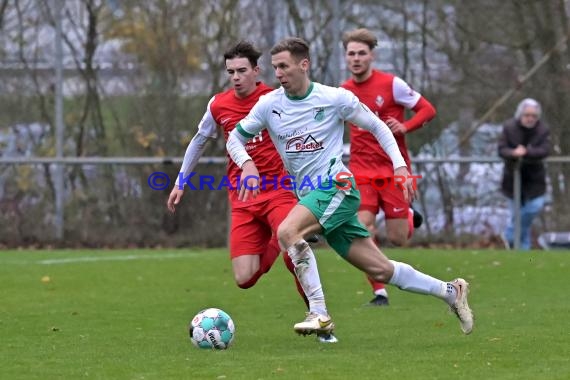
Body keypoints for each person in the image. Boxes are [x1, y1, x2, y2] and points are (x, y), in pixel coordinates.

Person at [226, 37, 474, 336]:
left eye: (284, 66)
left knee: (288, 232)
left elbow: (378, 126)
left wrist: (400, 166)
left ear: (304, 65)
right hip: (312, 197)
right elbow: (234, 139)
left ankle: (319, 313)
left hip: (337, 187)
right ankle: (451, 291)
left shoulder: (334, 98)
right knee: (381, 269)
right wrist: (247, 164)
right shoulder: (269, 105)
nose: (277, 73)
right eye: (275, 67)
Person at [166, 40, 337, 343]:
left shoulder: (276, 98)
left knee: (293, 253)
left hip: (279, 191)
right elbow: (198, 141)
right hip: (242, 200)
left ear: (257, 71)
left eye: (242, 70)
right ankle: (277, 239)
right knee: (244, 278)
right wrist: (181, 181)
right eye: (230, 71)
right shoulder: (218, 104)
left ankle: (321, 321)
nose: (235, 76)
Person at [341, 28, 437, 306]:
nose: (356, 59)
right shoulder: (342, 92)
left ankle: (407, 215)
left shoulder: (392, 84)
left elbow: (428, 110)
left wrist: (405, 126)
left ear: (371, 56)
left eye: (361, 53)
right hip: (360, 172)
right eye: (351, 54)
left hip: (393, 170)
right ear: (346, 58)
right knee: (363, 228)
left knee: (398, 239)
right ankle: (379, 290)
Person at [498, 98, 550, 250]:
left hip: (535, 180)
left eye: (534, 115)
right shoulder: (509, 127)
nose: (530, 118)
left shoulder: (543, 130)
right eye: (527, 115)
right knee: (517, 216)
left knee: (534, 208)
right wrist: (513, 153)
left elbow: (545, 150)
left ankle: (509, 234)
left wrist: (527, 152)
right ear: (520, 114)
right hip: (512, 178)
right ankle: (523, 251)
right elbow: (501, 149)